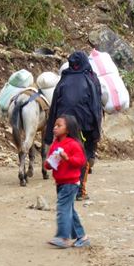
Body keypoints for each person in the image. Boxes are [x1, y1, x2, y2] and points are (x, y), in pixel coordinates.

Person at [44, 51, 103, 201]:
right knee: (83, 154)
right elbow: (96, 103)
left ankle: (63, 188)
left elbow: (55, 104)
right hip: (84, 124)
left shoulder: (64, 79)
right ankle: (80, 191)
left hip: (63, 123)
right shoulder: (91, 78)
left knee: (62, 151)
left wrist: (53, 128)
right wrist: (96, 130)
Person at [44, 114, 90, 248]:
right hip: (60, 182)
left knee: (62, 208)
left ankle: (63, 237)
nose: (55, 128)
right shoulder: (55, 144)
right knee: (69, 209)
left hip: (70, 183)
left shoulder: (74, 145)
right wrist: (49, 163)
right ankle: (82, 236)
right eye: (55, 125)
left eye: (59, 126)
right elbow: (47, 164)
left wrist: (67, 158)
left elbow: (80, 162)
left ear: (68, 129)